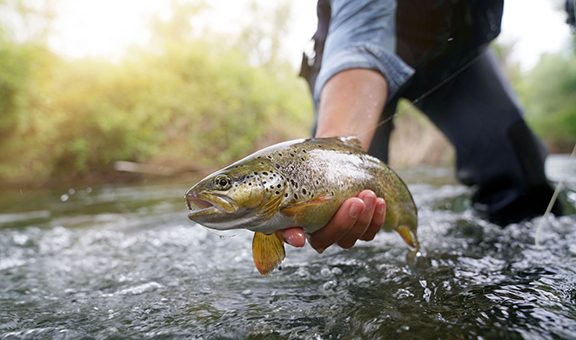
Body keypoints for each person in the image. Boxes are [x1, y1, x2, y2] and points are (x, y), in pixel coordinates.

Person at [279, 0, 566, 252]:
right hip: (356, 56)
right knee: (341, 211)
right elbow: (360, 37)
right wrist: (325, 167)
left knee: (518, 173)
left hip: (453, 53)